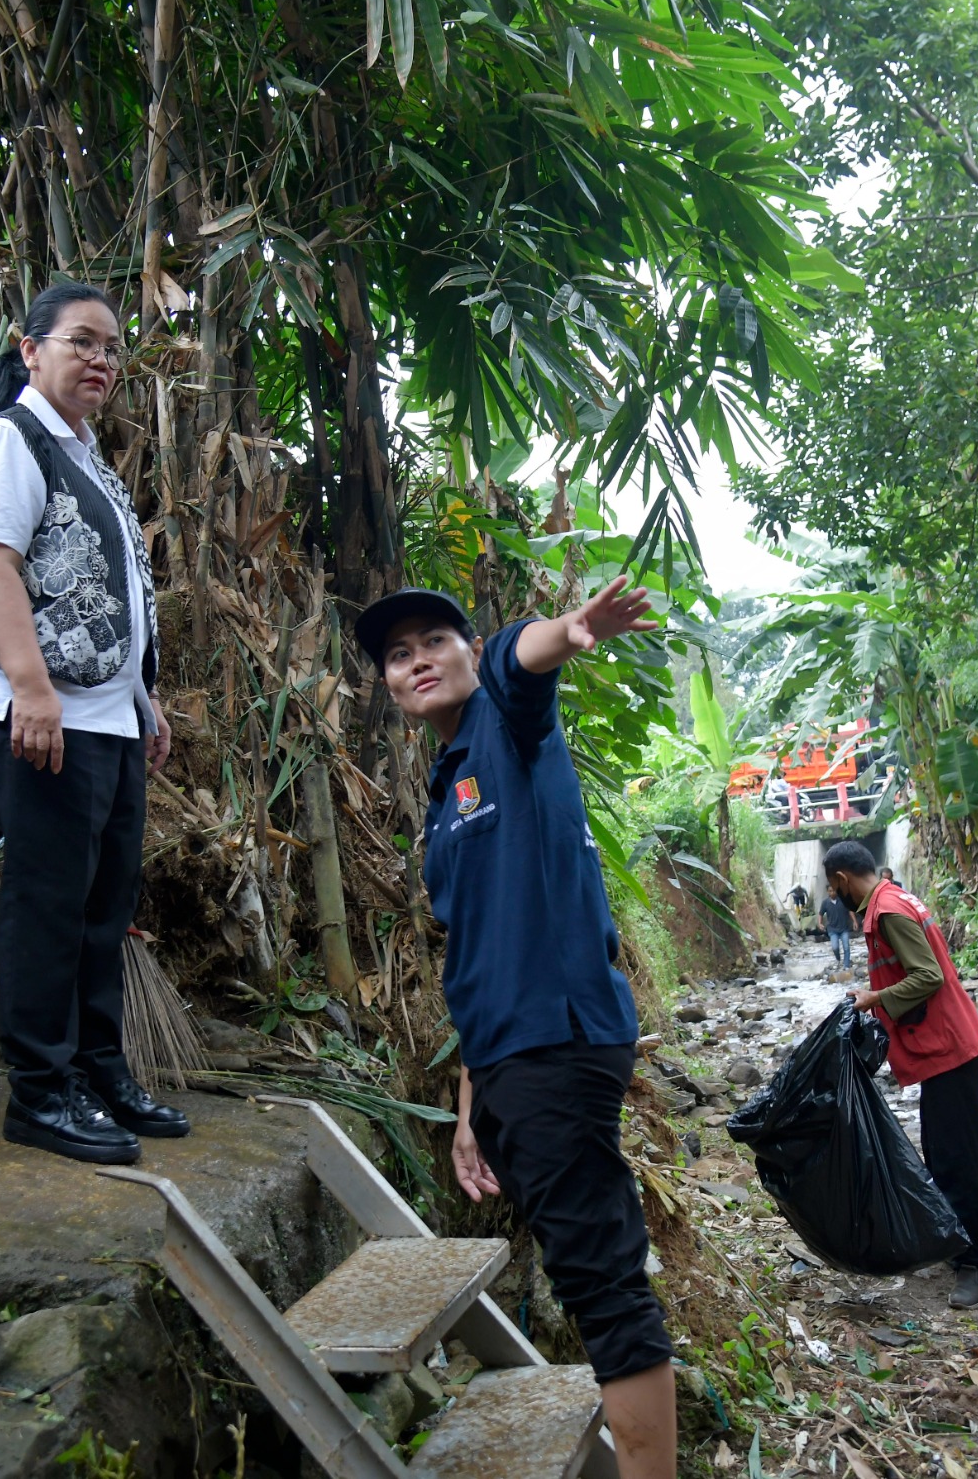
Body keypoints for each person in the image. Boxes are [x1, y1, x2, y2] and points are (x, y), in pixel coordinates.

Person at [357, 580, 676, 1479]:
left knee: (604, 1286)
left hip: (558, 1043)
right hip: (510, 1055)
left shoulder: (507, 722)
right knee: (585, 1272)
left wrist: (570, 630)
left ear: (468, 650)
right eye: (397, 655)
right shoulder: (447, 783)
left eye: (434, 640)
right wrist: (472, 1110)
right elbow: (478, 954)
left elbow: (522, 658)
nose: (417, 661)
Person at [0, 282, 182, 1164]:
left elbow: (111, 595)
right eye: (82, 341)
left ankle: (96, 1070)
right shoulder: (11, 437)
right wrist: (32, 689)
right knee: (49, 906)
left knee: (101, 907)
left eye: (112, 348)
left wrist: (141, 699)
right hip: (45, 716)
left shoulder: (87, 455)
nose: (101, 360)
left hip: (105, 720)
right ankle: (41, 1092)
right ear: (29, 348)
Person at [831, 839, 978, 1308]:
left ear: (841, 880)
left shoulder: (887, 912)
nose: (835, 895)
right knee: (941, 1155)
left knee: (955, 1160)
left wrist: (875, 999)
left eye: (834, 888)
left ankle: (974, 1265)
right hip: (943, 1045)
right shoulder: (893, 899)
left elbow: (928, 976)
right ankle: (956, 1245)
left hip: (949, 1048)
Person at [819, 884, 853, 978]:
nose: (832, 893)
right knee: (835, 947)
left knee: (846, 947)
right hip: (832, 930)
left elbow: (850, 911)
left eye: (834, 890)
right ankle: (838, 959)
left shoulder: (843, 900)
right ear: (828, 892)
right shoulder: (825, 903)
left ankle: (846, 965)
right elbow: (820, 914)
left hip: (844, 928)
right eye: (830, 891)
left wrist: (854, 921)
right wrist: (820, 923)